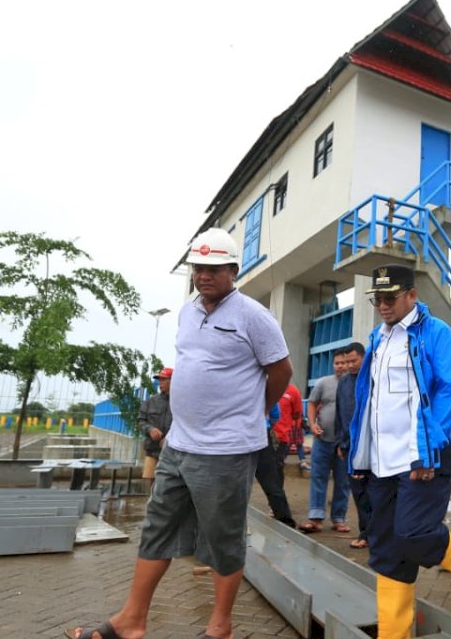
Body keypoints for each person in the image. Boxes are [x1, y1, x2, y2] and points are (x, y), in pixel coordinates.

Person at [67, 228, 292, 639]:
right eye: (197, 268)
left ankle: (219, 627)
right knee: (157, 526)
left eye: (213, 268)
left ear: (233, 270)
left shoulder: (254, 317)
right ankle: (132, 620)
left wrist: (253, 411)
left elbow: (281, 371)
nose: (203, 275)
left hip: (225, 450)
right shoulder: (188, 311)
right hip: (179, 444)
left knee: (221, 537)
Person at [347, 264, 451, 638]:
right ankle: (392, 633)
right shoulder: (378, 339)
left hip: (422, 458)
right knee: (386, 547)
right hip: (382, 460)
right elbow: (369, 399)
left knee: (414, 534)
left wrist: (428, 448)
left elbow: (449, 390)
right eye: (377, 298)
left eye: (389, 297)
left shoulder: (436, 334)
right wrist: (359, 454)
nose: (382, 305)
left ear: (412, 295)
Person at [299, 353, 350, 533]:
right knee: (318, 478)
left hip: (344, 443)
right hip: (322, 440)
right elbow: (312, 404)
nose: (340, 366)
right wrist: (313, 425)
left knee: (343, 481)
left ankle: (339, 518)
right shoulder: (323, 383)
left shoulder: (355, 383)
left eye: (344, 363)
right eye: (337, 363)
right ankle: (315, 517)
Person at [335, 341, 371, 549]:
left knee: (374, 492)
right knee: (357, 493)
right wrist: (341, 443)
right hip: (349, 446)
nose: (349, 365)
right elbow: (340, 414)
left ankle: (374, 534)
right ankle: (365, 532)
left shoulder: (373, 379)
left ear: (364, 358)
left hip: (370, 445)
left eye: (353, 361)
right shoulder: (344, 382)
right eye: (346, 361)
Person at [255, 400, 298, 528]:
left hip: (233, 434)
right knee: (271, 481)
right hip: (260, 431)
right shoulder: (260, 382)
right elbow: (275, 414)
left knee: (230, 483)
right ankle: (286, 522)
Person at [137, 367, 174, 492]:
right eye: (159, 380)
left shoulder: (180, 402)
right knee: (152, 484)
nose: (160, 383)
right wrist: (150, 429)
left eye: (164, 380)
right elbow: (141, 421)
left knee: (170, 485)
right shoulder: (150, 401)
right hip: (152, 450)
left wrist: (168, 438)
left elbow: (185, 424)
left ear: (173, 381)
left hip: (172, 452)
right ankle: (153, 507)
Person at [272, 383, 307, 475]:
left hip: (283, 434)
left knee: (277, 468)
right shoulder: (266, 387)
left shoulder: (293, 391)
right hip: (264, 436)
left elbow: (297, 413)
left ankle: (302, 461)